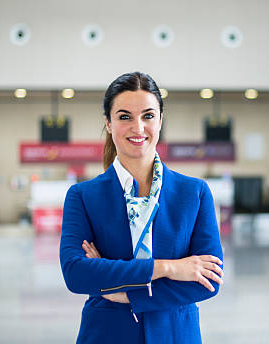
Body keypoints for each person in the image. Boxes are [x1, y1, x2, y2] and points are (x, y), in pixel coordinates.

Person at [59, 72, 224, 344]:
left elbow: (209, 280)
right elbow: (77, 274)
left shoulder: (194, 193)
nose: (138, 127)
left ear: (160, 120)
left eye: (148, 115)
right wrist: (169, 269)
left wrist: (121, 291)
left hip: (175, 335)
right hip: (106, 335)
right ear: (109, 124)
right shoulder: (83, 196)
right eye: (124, 117)